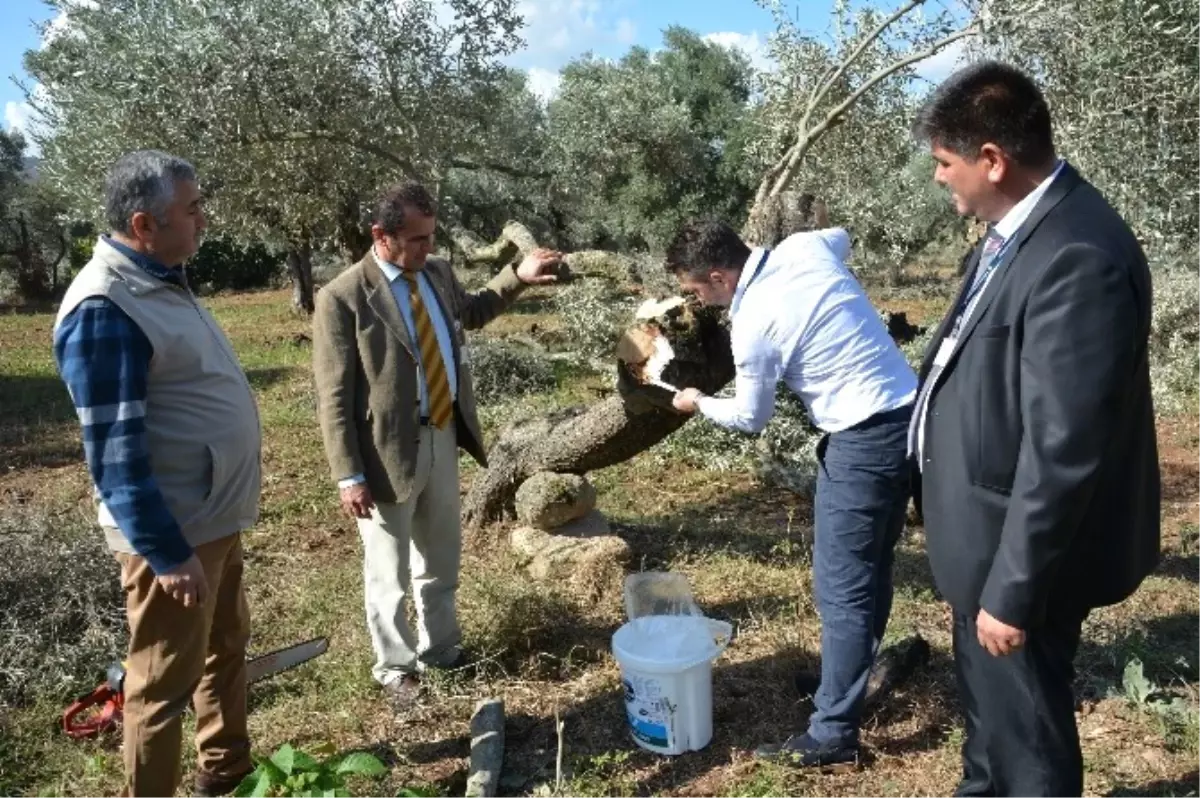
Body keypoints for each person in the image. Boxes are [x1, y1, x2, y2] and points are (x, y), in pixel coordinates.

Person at [909, 61, 1160, 797]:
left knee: (1029, 743)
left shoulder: (1076, 253)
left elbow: (1065, 445)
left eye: (943, 163)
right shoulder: (1019, 230)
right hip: (982, 538)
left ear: (992, 159)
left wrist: (1012, 591)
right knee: (992, 723)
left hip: (1017, 556)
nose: (938, 179)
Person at [667, 219, 917, 768]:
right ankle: (842, 681)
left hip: (862, 439)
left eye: (697, 291)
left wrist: (697, 402)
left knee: (842, 589)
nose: (699, 302)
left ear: (718, 276)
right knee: (872, 567)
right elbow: (845, 234)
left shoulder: (752, 320)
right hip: (911, 416)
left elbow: (751, 418)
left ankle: (833, 734)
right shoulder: (805, 246)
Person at [53, 151, 260, 798]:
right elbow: (114, 452)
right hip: (174, 533)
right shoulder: (105, 307)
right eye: (192, 209)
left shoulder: (158, 278)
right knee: (160, 687)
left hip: (211, 515)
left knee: (225, 646)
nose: (204, 220)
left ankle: (224, 771)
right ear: (144, 224)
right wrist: (167, 554)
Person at [312, 182, 563, 708]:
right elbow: (333, 396)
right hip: (385, 455)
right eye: (418, 239)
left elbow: (471, 312)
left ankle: (443, 649)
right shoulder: (343, 298)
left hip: (443, 435)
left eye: (432, 236)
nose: (428, 248)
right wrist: (348, 474)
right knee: (389, 568)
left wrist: (517, 276)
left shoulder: (437, 274)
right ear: (381, 236)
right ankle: (396, 670)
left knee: (441, 553)